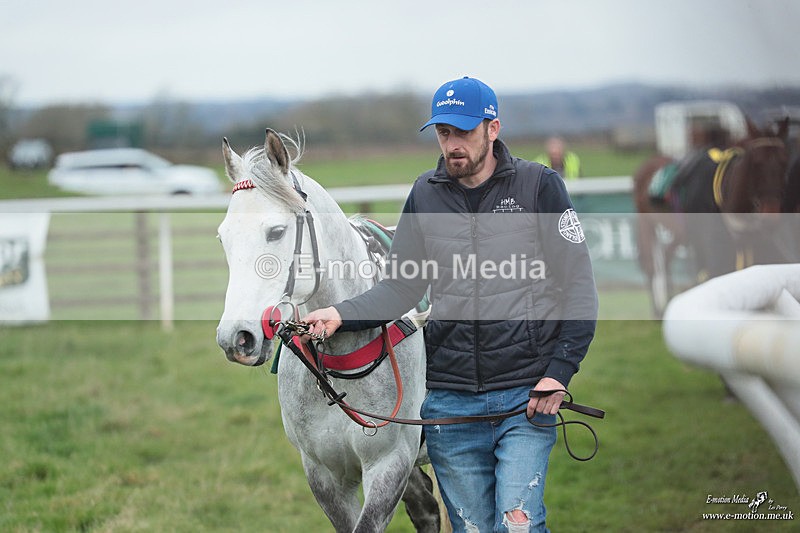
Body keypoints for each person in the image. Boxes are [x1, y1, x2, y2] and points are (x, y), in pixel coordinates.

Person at [302, 76, 598, 532]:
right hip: (450, 407)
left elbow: (578, 287)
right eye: (443, 132)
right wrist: (339, 315)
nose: (452, 144)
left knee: (517, 525)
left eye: (463, 131)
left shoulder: (540, 187)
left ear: (492, 128)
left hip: (525, 398)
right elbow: (401, 289)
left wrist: (559, 371)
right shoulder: (425, 194)